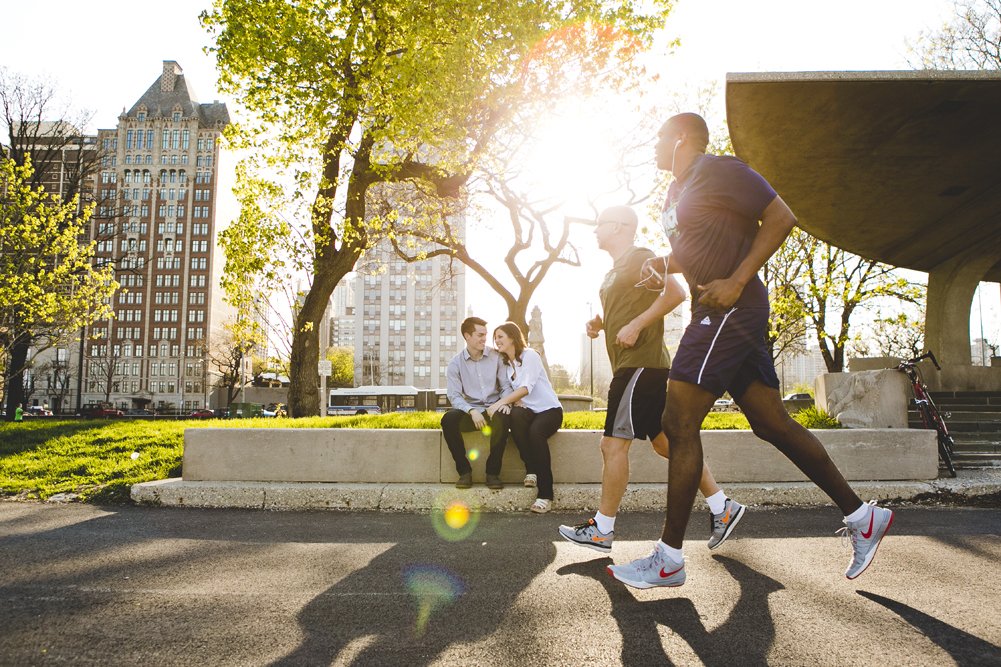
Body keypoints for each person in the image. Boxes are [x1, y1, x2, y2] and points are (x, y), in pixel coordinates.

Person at [608, 112, 893, 590]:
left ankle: (669, 558)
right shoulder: (675, 193)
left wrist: (738, 281)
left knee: (676, 423)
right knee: (770, 422)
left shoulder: (721, 170)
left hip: (728, 310)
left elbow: (782, 216)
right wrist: (663, 262)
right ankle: (863, 516)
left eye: (659, 138)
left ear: (682, 138)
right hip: (716, 308)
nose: (653, 147)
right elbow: (697, 250)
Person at [558, 205, 745, 554]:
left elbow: (675, 293)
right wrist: (601, 321)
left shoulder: (639, 256)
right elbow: (628, 301)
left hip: (639, 366)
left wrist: (636, 324)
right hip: (637, 366)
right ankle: (724, 507)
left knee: (612, 445)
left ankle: (602, 528)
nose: (595, 230)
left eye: (600, 225)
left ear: (618, 227)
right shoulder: (617, 268)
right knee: (666, 444)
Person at [488, 322, 563, 514]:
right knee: (515, 415)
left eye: (500, 337)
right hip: (529, 411)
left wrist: (498, 403)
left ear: (512, 337)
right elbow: (516, 396)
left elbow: (526, 388)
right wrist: (508, 403)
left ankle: (545, 496)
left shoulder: (530, 355)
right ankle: (531, 470)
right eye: (495, 337)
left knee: (536, 432)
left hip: (549, 411)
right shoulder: (507, 367)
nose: (497, 341)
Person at [443, 316, 517, 489]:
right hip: (472, 413)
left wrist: (504, 404)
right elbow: (454, 396)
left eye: (485, 334)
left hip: (494, 409)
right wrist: (471, 411)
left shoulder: (496, 356)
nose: (485, 338)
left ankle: (493, 473)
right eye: (480, 334)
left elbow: (506, 385)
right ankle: (464, 472)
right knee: (448, 420)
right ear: (467, 336)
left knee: (503, 417)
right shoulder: (455, 363)